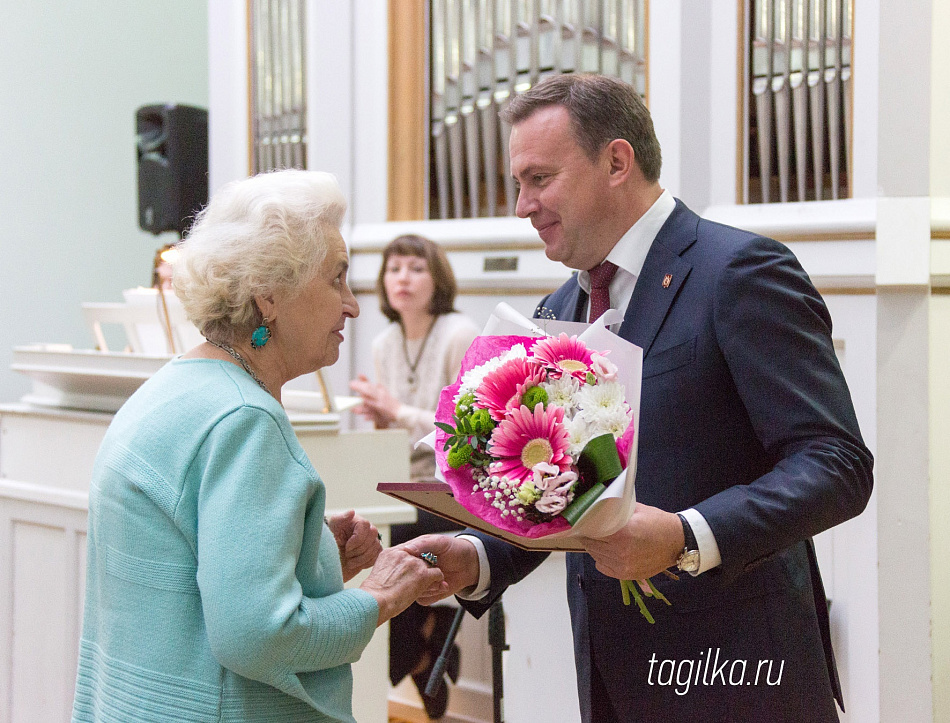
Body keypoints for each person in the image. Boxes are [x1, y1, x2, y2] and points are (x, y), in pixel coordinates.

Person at [411, 74, 874, 722]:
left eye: (538, 178)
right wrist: (481, 555)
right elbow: (574, 494)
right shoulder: (560, 305)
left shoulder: (738, 271)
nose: (522, 204)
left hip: (739, 676)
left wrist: (688, 536)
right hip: (611, 679)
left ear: (617, 162)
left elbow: (836, 464)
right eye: (518, 183)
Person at [71, 169, 447, 723]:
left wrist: (312, 560)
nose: (353, 306)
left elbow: (190, 591)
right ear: (270, 295)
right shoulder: (245, 420)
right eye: (336, 280)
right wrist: (382, 597)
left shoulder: (176, 386)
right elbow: (258, 638)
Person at [350, 234, 479, 719]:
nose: (402, 278)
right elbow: (404, 434)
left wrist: (398, 411)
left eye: (416, 268)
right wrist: (384, 420)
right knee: (371, 536)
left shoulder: (457, 332)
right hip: (408, 485)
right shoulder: (385, 342)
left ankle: (414, 656)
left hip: (454, 488)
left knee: (391, 544)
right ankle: (424, 647)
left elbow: (466, 430)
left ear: (437, 278)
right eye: (393, 269)